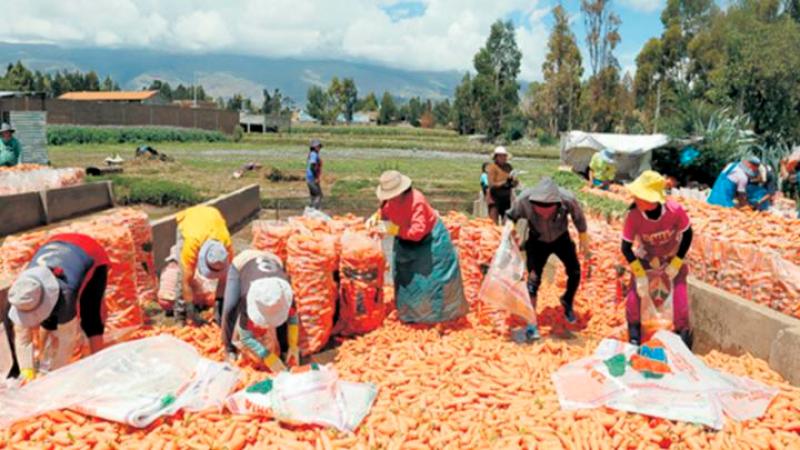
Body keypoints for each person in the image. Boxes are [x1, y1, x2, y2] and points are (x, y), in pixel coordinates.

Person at [366, 170, 468, 324]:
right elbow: (384, 214)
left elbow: (417, 232)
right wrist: (376, 220)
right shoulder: (388, 202)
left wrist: (391, 229)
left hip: (429, 240)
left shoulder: (416, 200)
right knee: (407, 278)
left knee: (434, 279)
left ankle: (441, 318)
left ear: (401, 191)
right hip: (404, 238)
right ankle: (413, 316)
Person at [7, 233, 110, 380]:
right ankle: (43, 361)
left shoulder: (66, 295)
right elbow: (22, 337)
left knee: (90, 316)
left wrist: (55, 376)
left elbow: (67, 341)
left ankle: (99, 365)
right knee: (48, 320)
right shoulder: (21, 292)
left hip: (89, 251)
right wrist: (28, 372)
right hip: (55, 243)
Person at [621, 171, 693, 347]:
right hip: (646, 258)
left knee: (680, 292)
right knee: (634, 295)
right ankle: (635, 334)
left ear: (651, 200)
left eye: (639, 196)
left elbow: (688, 234)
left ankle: (682, 335)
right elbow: (626, 247)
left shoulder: (674, 210)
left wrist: (676, 262)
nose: (635, 199)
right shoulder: (634, 216)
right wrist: (639, 274)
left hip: (671, 257)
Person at [506, 178, 588, 324]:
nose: (544, 214)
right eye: (539, 210)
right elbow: (511, 216)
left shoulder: (567, 198)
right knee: (533, 278)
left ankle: (567, 301)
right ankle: (531, 317)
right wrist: (511, 227)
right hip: (537, 240)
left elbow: (578, 216)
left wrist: (583, 234)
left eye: (548, 211)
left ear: (557, 204)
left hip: (561, 238)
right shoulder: (524, 199)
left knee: (574, 271)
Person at [220, 250, 299, 373]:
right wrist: (267, 355)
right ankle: (229, 349)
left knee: (282, 324)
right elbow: (245, 337)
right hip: (243, 262)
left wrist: (293, 346)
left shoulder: (286, 293)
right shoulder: (247, 297)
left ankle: (285, 349)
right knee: (230, 307)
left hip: (273, 259)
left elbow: (293, 319)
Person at [161, 205, 234, 326]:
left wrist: (218, 309)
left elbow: (224, 280)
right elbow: (185, 282)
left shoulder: (227, 248)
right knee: (182, 273)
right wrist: (191, 310)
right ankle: (180, 315)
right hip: (189, 221)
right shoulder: (191, 245)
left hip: (212, 216)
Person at [487, 146, 518, 224]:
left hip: (506, 199)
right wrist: (504, 183)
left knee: (507, 223)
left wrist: (513, 182)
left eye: (504, 156)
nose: (503, 158)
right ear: (496, 157)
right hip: (494, 199)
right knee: (493, 224)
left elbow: (514, 180)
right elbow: (491, 185)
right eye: (501, 156)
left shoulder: (508, 167)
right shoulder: (492, 167)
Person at [306, 139, 323, 210]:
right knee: (318, 195)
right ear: (314, 147)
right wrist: (316, 177)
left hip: (309, 178)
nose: (319, 148)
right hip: (312, 178)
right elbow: (312, 166)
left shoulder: (312, 154)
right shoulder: (314, 154)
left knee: (313, 196)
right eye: (318, 146)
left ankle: (311, 210)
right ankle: (315, 211)